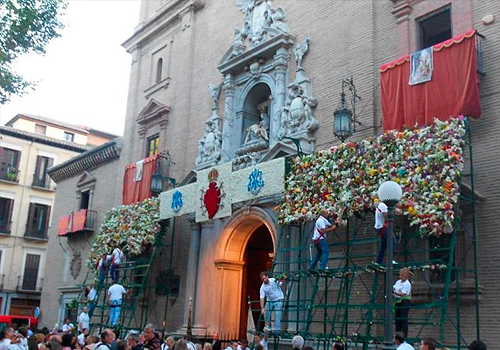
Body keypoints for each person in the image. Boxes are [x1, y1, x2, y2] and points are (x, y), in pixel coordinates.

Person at [374, 201, 397, 265]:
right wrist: (392, 215)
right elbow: (385, 216)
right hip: (382, 227)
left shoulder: (383, 205)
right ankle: (391, 259)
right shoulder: (382, 205)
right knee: (392, 241)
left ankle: (378, 262)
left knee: (383, 245)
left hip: (380, 228)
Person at [394, 268, 412, 338]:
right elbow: (394, 288)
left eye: (402, 276)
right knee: (397, 319)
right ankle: (397, 335)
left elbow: (403, 294)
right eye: (400, 275)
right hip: (397, 301)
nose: (401, 277)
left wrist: (395, 292)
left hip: (404, 301)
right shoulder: (398, 282)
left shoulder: (407, 284)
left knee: (403, 318)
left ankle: (404, 335)